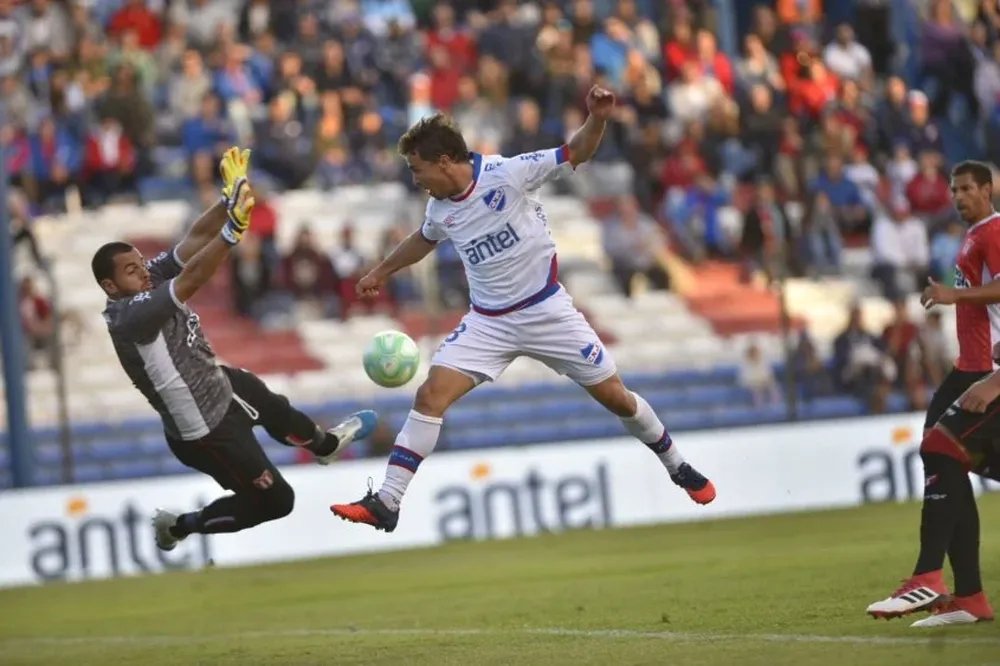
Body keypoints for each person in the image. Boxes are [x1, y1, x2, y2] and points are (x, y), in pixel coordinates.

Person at [330, 87, 717, 533]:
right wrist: (381, 271)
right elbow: (424, 237)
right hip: (488, 322)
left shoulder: (507, 174)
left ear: (442, 162)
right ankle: (387, 501)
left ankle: (677, 464)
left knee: (616, 398)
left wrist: (597, 118)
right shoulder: (439, 208)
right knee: (429, 396)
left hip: (547, 310)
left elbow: (577, 152)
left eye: (417, 170)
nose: (415, 180)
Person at [91, 147, 377, 551]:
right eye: (132, 269)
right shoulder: (127, 318)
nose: (143, 271)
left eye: (140, 263)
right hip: (204, 430)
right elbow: (190, 280)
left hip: (219, 385)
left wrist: (230, 200)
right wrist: (232, 232)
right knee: (278, 501)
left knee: (275, 407)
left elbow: (190, 243)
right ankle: (181, 526)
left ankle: (326, 447)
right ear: (109, 286)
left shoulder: (145, 279)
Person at [866, 160, 999, 627]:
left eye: (967, 188)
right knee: (942, 455)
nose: (958, 196)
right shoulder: (971, 236)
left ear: (988, 189)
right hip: (970, 365)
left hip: (984, 368)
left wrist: (953, 296)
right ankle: (969, 596)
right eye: (953, 189)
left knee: (942, 449)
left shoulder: (993, 232)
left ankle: (932, 578)